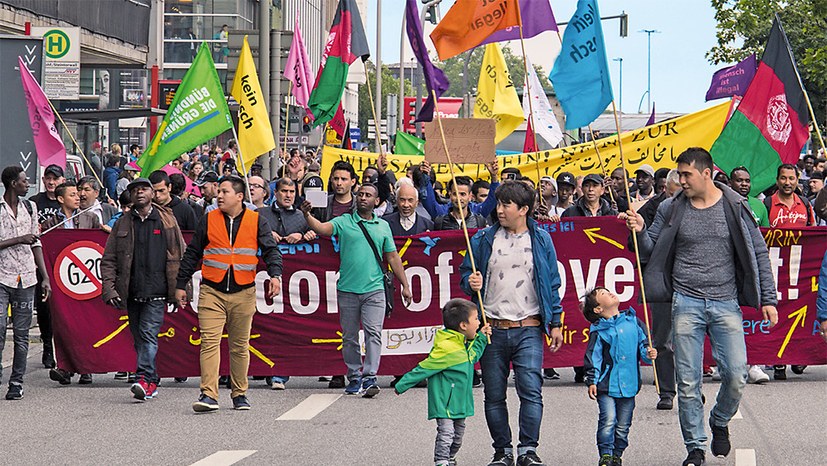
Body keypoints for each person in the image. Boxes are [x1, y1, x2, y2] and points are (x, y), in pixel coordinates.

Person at [622, 148, 778, 466]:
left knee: (736, 375)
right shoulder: (670, 208)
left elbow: (759, 252)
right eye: (679, 175)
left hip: (725, 302)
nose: (681, 180)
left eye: (686, 174)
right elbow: (649, 249)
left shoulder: (735, 205)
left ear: (705, 174)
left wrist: (769, 299)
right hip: (685, 302)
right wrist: (638, 230)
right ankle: (695, 447)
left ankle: (719, 420)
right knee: (688, 382)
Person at [460, 181, 564, 466]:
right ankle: (502, 451)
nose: (500, 209)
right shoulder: (482, 238)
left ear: (524, 209)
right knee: (494, 395)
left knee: (531, 390)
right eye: (499, 203)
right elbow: (465, 272)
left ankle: (528, 450)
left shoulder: (541, 239)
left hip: (529, 327)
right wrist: (470, 280)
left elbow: (552, 282)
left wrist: (555, 322)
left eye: (507, 204)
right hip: (491, 328)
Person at [176, 175, 283, 412]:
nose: (219, 195)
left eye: (224, 192)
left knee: (239, 346)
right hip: (211, 290)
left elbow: (271, 251)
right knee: (209, 344)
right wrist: (181, 284)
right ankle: (209, 394)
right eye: (218, 192)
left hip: (244, 291)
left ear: (239, 196)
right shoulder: (208, 218)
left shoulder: (257, 221)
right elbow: (193, 253)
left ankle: (239, 394)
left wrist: (275, 275)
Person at [301, 184, 413, 397]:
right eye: (360, 194)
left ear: (377, 201)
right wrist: (307, 215)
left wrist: (405, 285)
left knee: (373, 333)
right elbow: (322, 228)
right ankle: (354, 376)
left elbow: (392, 257)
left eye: (368, 195)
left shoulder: (382, 226)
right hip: (348, 290)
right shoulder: (344, 222)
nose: (363, 198)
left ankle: (370, 376)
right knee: (350, 336)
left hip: (375, 290)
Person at [100, 177, 186, 401]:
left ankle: (143, 378)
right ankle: (152, 379)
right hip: (132, 291)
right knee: (139, 338)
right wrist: (109, 289)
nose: (139, 193)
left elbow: (181, 256)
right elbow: (109, 258)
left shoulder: (166, 220)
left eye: (144, 189)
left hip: (158, 291)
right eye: (135, 190)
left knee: (148, 335)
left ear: (152, 193)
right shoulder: (123, 223)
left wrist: (181, 289)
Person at [394, 299, 492, 466]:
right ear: (463, 325)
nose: (479, 322)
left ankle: (450, 458)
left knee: (458, 436)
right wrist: (401, 385)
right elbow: (423, 368)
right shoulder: (446, 348)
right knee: (446, 433)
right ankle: (441, 460)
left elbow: (473, 354)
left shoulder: (464, 346)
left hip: (461, 403)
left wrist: (481, 337)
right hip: (445, 403)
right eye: (476, 319)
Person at [582, 287, 657, 466]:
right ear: (598, 309)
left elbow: (644, 346)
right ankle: (606, 454)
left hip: (629, 384)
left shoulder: (634, 322)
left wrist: (649, 354)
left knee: (623, 425)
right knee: (608, 420)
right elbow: (594, 357)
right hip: (606, 385)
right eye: (603, 294)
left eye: (608, 291)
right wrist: (592, 380)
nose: (609, 293)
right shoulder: (599, 331)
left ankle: (617, 454)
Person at [0, 166, 51, 400]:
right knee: (0, 330)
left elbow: (36, 243)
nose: (27, 183)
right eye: (23, 180)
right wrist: (19, 239)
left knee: (21, 334)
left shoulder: (30, 207)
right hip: (2, 277)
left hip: (27, 278)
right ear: (12, 183)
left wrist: (45, 277)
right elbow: (24, 239)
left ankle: (17, 381)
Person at [46, 181, 101, 386]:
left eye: (78, 194)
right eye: (72, 195)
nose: (77, 197)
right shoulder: (51, 222)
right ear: (61, 199)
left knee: (86, 325)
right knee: (64, 325)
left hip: (87, 281)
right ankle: (66, 367)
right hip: (62, 281)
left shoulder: (90, 218)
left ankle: (86, 368)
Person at [30, 164, 64, 369]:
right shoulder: (35, 202)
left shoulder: (68, 201)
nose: (51, 182)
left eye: (55, 178)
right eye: (48, 178)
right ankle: (47, 347)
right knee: (44, 308)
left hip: (63, 262)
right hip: (41, 263)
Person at [420, 160, 500, 221]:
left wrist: (494, 176)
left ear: (470, 196)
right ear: (450, 194)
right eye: (455, 194)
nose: (459, 198)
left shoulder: (478, 212)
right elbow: (428, 200)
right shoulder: (441, 214)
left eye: (463, 194)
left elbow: (493, 199)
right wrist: (425, 175)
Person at [260, 178, 315, 246]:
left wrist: (302, 235)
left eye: (292, 191)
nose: (288, 195)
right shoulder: (260, 214)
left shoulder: (303, 216)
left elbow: (314, 234)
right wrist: (266, 233)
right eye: (284, 191)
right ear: (275, 192)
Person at [763, 164, 815, 229]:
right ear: (777, 181)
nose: (787, 182)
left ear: (797, 181)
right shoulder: (766, 204)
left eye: (791, 178)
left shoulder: (805, 203)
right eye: (783, 178)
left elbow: (813, 229)